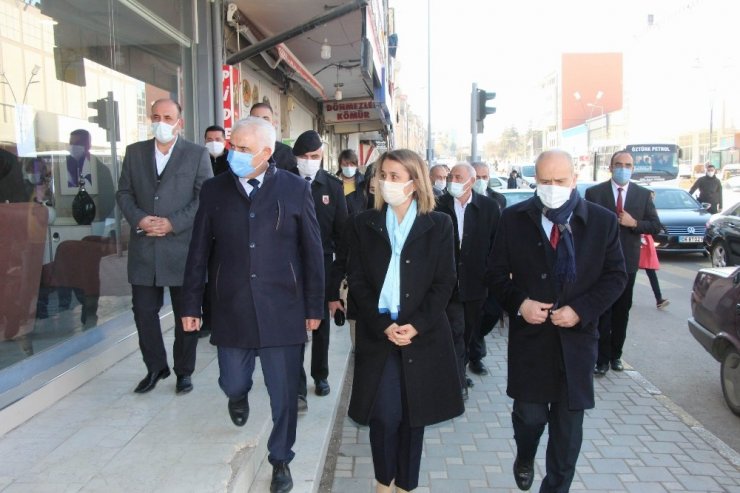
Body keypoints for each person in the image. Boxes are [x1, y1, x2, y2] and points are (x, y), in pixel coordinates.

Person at [180, 117, 324, 493]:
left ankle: (280, 461)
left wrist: (313, 307)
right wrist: (191, 305)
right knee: (232, 380)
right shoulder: (214, 190)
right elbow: (198, 251)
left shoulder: (294, 189)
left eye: (243, 150)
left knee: (284, 395)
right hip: (232, 306)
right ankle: (238, 395)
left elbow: (312, 252)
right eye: (232, 147)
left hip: (283, 309)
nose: (234, 154)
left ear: (266, 153)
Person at [488, 149, 627, 492]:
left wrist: (581, 310)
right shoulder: (514, 219)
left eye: (560, 181)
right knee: (530, 419)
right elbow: (493, 274)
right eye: (545, 181)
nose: (552, 188)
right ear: (535, 180)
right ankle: (525, 455)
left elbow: (615, 277)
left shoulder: (601, 221)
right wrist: (520, 304)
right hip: (531, 342)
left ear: (574, 179)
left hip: (576, 343)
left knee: (566, 438)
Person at [347, 149, 464, 493]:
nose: (386, 183)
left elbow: (445, 281)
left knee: (415, 417)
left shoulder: (439, 224)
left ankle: (406, 486)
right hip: (379, 331)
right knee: (383, 415)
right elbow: (357, 281)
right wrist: (382, 323)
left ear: (415, 183)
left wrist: (418, 324)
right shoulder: (363, 224)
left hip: (422, 334)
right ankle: (384, 482)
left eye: (395, 177)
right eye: (382, 175)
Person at [116, 98, 213, 395]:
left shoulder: (196, 155)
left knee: (188, 313)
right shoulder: (134, 153)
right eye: (156, 116)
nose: (161, 122)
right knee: (144, 312)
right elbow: (124, 193)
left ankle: (184, 371)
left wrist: (173, 223)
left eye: (168, 117)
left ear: (179, 122)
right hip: (145, 248)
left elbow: (204, 198)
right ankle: (155, 367)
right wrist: (140, 219)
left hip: (182, 249)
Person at [585, 150, 661, 376]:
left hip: (627, 263)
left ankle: (616, 355)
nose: (623, 168)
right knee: (602, 311)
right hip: (599, 263)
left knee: (621, 310)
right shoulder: (594, 193)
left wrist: (634, 223)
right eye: (619, 164)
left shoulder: (643, 194)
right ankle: (601, 358)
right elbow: (585, 224)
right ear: (610, 167)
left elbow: (655, 226)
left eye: (628, 165)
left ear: (633, 168)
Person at [292, 130, 348, 410]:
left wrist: (336, 279)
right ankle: (297, 385)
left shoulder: (333, 187)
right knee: (293, 328)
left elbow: (343, 235)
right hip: (289, 266)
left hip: (323, 266)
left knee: (321, 325)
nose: (309, 161)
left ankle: (320, 375)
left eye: (315, 157)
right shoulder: (282, 182)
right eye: (304, 157)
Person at [435, 162, 500, 400]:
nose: (452, 179)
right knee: (455, 331)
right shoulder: (438, 206)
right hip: (447, 284)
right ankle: (457, 383)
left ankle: (458, 372)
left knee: (468, 333)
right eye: (451, 175)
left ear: (471, 182)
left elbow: (497, 246)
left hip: (476, 284)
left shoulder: (489, 208)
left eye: (458, 176)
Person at [198, 125, 230, 340]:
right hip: (205, 225)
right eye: (209, 139)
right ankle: (208, 321)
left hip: (227, 226)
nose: (213, 142)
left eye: (217, 138)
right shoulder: (199, 161)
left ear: (225, 140)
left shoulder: (232, 160)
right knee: (206, 277)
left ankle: (226, 319)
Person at [249, 102, 298, 172]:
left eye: (265, 119)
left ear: (272, 123)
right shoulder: (240, 150)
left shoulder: (286, 153)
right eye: (256, 119)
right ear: (248, 121)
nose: (261, 122)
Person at [640, 232, 669, 309]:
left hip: (645, 243)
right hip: (633, 242)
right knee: (630, 274)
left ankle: (659, 299)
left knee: (651, 271)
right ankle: (626, 298)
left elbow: (654, 226)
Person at [337, 149, 368, 215]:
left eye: (352, 164)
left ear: (356, 165)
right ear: (340, 165)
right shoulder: (333, 181)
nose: (348, 167)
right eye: (345, 164)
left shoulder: (363, 182)